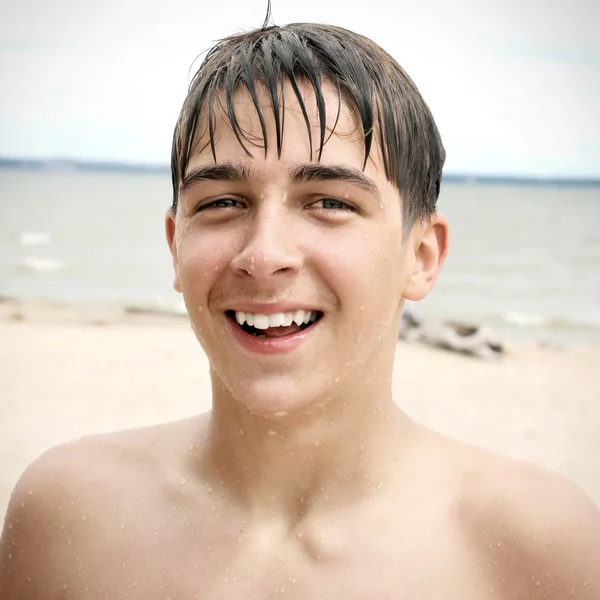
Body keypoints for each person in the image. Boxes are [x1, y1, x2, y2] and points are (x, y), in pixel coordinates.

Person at [2, 9, 600, 599]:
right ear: (174, 242)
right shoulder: (68, 515)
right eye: (222, 202)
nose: (264, 255)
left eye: (330, 202)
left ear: (422, 255)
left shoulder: (536, 547)